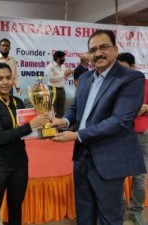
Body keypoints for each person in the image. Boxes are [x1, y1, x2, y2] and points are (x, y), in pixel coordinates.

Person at [49, 30, 146, 225]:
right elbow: (76, 108)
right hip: (81, 156)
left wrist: (76, 135)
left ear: (116, 50)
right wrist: (64, 122)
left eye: (104, 47)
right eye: (93, 49)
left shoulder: (131, 78)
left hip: (108, 158)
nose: (98, 53)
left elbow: (119, 121)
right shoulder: (85, 78)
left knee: (109, 217)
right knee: (84, 213)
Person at [0, 62, 50, 225]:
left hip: (19, 162)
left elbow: (24, 132)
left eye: (8, 78)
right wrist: (30, 126)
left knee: (16, 206)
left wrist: (43, 128)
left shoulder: (18, 102)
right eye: (0, 78)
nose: (5, 82)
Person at [118, 52, 148, 225]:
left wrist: (145, 107)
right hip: (120, 135)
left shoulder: (145, 84)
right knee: (118, 176)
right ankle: (120, 211)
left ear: (133, 67)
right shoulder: (115, 85)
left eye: (124, 68)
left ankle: (136, 210)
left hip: (141, 135)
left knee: (140, 177)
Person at [46, 50, 73, 117]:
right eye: (63, 58)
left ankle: (60, 124)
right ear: (58, 58)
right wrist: (64, 74)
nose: (64, 59)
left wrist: (68, 74)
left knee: (61, 108)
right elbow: (51, 79)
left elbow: (65, 78)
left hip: (62, 89)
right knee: (52, 108)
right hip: (53, 89)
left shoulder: (63, 66)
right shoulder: (50, 66)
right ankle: (53, 125)